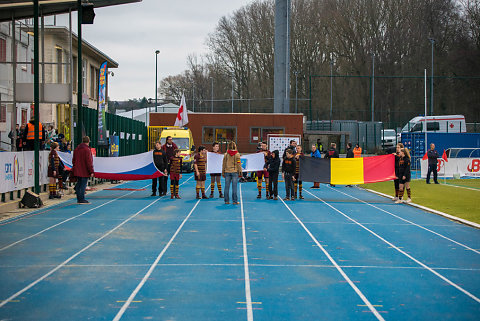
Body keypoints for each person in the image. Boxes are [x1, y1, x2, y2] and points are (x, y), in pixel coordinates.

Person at [72, 136, 94, 204]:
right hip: (84, 170)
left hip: (77, 169)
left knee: (79, 183)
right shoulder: (87, 150)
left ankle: (79, 198)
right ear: (88, 142)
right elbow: (89, 161)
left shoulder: (77, 149)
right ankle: (82, 199)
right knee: (83, 185)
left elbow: (74, 160)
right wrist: (91, 171)